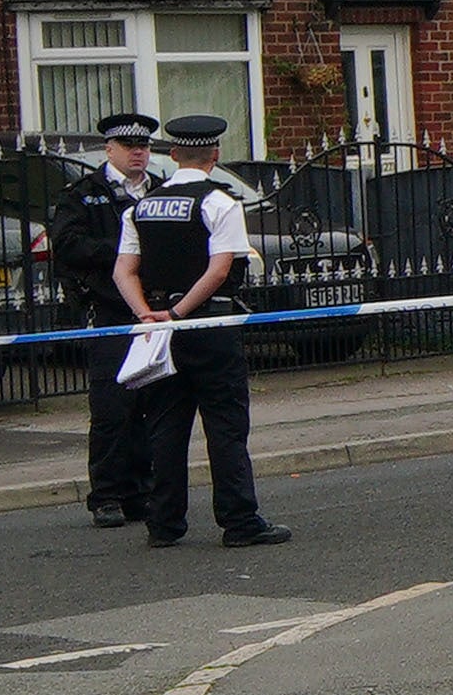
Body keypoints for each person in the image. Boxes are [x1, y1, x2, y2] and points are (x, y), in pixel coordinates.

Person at [113, 115, 289, 549]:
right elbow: (220, 268)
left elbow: (123, 270)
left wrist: (148, 314)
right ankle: (240, 521)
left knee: (166, 428)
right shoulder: (219, 203)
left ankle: (164, 524)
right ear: (215, 156)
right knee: (226, 426)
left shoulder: (141, 206)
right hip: (208, 325)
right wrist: (178, 312)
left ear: (172, 156)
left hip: (159, 331)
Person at [50, 112, 157, 528]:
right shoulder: (83, 195)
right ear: (109, 149)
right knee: (113, 407)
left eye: (144, 146)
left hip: (153, 309)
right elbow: (68, 244)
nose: (138, 153)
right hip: (109, 310)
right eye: (129, 147)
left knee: (150, 403)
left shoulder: (158, 192)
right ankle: (107, 494)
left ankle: (141, 491)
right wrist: (123, 251)